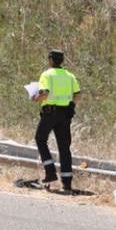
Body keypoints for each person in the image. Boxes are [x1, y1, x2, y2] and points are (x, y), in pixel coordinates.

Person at [31, 49, 81, 192]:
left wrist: (36, 98)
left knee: (40, 139)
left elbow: (45, 93)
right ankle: (67, 183)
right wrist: (70, 104)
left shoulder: (47, 75)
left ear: (51, 60)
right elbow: (77, 95)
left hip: (50, 113)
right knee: (64, 147)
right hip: (65, 114)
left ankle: (50, 172)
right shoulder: (69, 76)